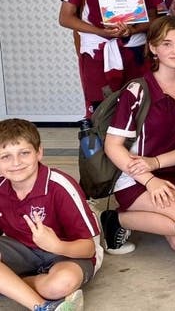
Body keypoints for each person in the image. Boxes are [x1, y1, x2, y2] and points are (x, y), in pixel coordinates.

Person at [101, 16, 175, 255]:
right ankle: (117, 219)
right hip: (135, 176)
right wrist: (150, 179)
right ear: (153, 48)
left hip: (173, 173)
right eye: (166, 43)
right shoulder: (137, 90)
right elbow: (113, 146)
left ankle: (137, 219)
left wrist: (157, 163)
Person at [0, 119, 102, 311]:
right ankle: (43, 307)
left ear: (39, 153)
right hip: (23, 249)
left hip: (67, 251)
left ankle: (10, 284)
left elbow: (88, 248)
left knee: (60, 284)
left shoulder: (61, 186)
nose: (16, 163)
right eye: (5, 156)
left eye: (24, 153)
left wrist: (56, 245)